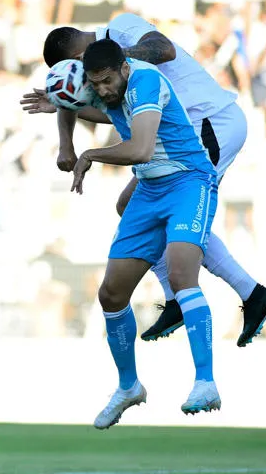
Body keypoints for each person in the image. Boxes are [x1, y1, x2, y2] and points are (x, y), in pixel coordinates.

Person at [21, 13, 266, 347]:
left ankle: (246, 295)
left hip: (209, 124)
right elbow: (84, 105)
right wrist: (65, 139)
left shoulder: (121, 30)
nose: (87, 86)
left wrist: (115, 58)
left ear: (78, 58)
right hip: (182, 133)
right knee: (129, 205)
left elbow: (163, 49)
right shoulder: (105, 72)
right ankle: (189, 298)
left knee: (177, 214)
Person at [70, 39, 222, 428]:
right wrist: (59, 109)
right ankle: (128, 387)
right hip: (151, 190)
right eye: (95, 84)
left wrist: (89, 155)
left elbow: (139, 148)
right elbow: (74, 105)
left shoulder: (146, 80)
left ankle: (205, 382)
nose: (101, 90)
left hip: (189, 180)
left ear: (123, 67)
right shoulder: (105, 85)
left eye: (106, 81)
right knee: (111, 294)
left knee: (180, 273)